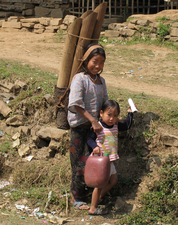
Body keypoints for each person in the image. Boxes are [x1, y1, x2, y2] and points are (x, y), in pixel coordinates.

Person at [67, 44, 108, 211]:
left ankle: (91, 197)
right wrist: (93, 120)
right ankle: (76, 198)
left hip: (94, 129)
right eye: (94, 61)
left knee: (92, 162)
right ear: (86, 60)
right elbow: (75, 104)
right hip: (80, 127)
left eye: (101, 63)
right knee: (78, 163)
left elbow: (105, 102)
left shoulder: (101, 81)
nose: (98, 66)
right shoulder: (79, 79)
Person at [87, 99, 134, 215]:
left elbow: (127, 126)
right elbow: (89, 139)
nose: (112, 118)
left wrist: (130, 113)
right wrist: (94, 147)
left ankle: (100, 197)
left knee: (113, 180)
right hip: (101, 162)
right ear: (101, 113)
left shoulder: (116, 125)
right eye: (109, 115)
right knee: (99, 184)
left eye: (115, 115)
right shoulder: (98, 127)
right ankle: (93, 208)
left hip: (110, 161)